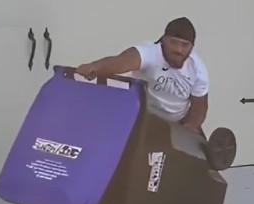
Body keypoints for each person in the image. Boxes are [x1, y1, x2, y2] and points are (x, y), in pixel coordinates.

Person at [75, 17, 209, 134]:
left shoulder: (198, 70)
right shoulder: (150, 52)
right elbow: (122, 62)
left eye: (185, 45)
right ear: (163, 40)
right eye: (173, 42)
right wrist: (95, 67)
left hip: (174, 125)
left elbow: (199, 107)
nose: (178, 50)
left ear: (192, 47)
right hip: (139, 116)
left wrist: (189, 128)